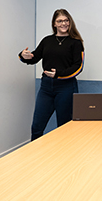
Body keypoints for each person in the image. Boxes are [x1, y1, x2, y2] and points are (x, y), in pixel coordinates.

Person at [19, 9, 84, 141]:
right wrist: (23, 56)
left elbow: (78, 67)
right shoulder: (47, 40)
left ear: (70, 22)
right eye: (59, 21)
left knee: (65, 128)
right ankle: (35, 158)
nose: (63, 23)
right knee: (36, 127)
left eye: (66, 20)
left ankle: (65, 159)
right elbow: (33, 58)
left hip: (66, 88)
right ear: (54, 24)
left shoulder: (75, 42)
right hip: (46, 88)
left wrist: (58, 74)